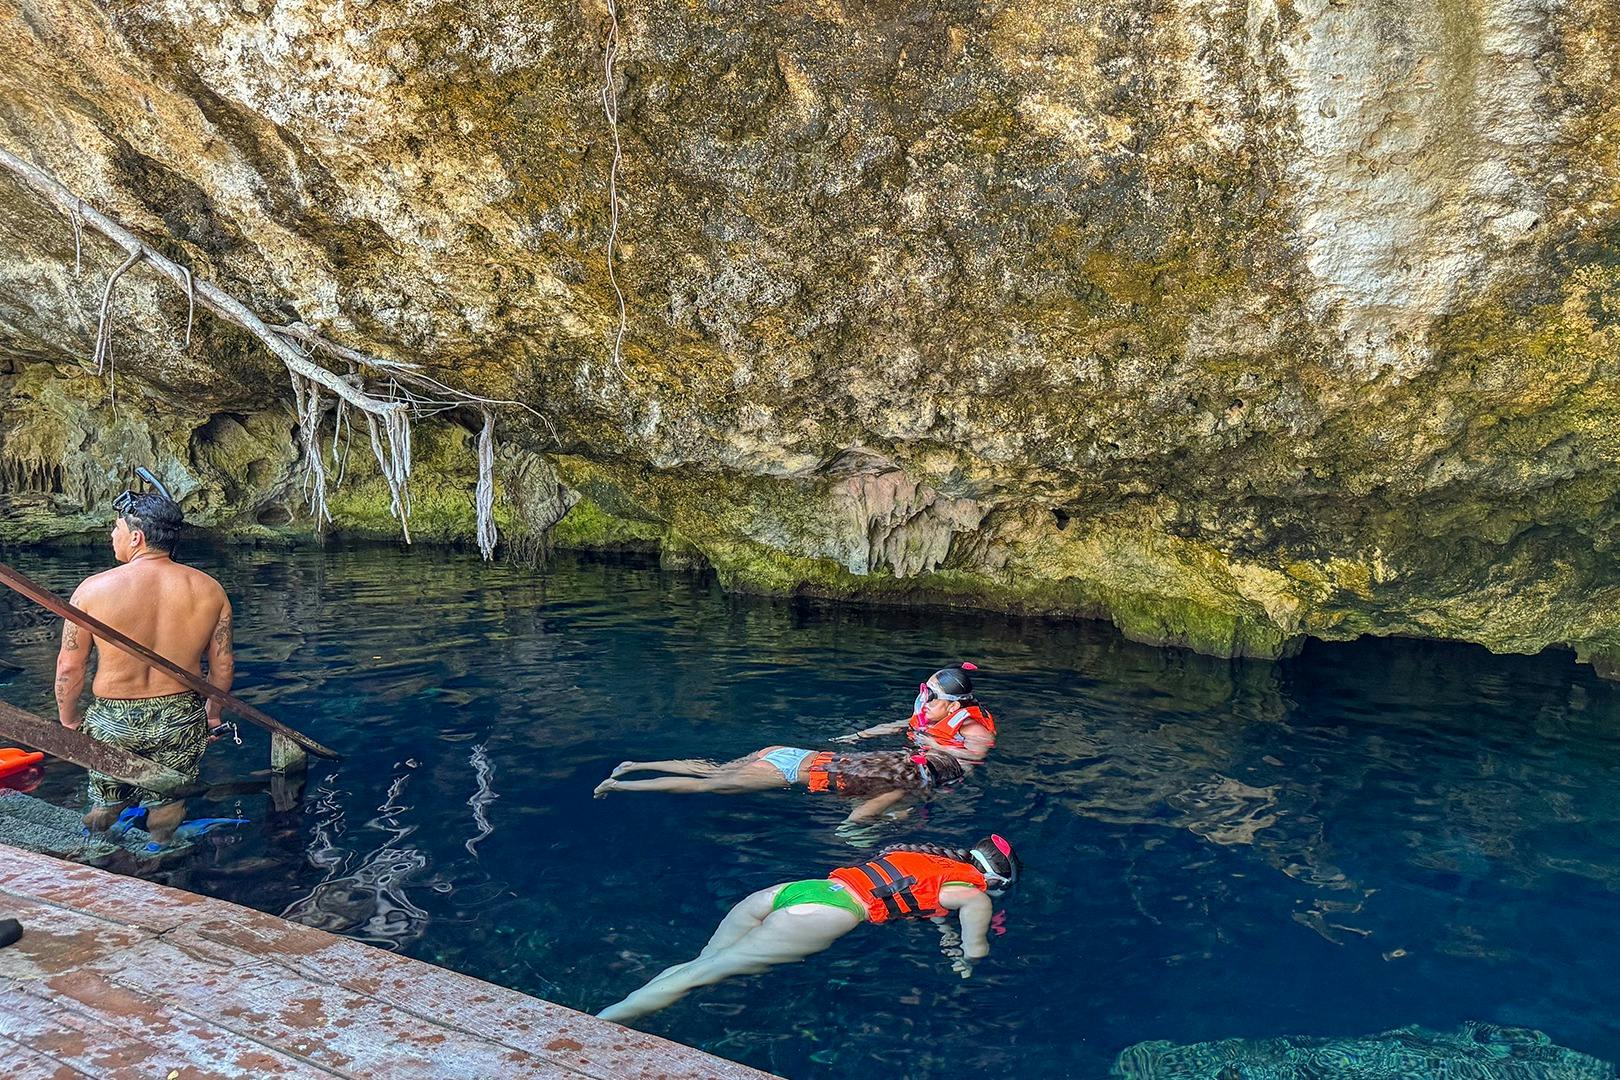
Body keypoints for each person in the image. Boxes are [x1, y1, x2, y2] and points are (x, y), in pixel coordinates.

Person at [597, 834, 1022, 1024]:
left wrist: (945, 940)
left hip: (801, 889)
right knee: (704, 975)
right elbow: (977, 947)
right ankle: (605, 1022)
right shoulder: (976, 895)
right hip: (826, 914)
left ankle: (620, 1009)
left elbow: (929, 908)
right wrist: (970, 962)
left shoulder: (931, 860)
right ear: (996, 881)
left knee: (699, 965)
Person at [54, 469, 234, 844]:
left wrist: (68, 722)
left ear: (136, 537)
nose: (112, 535)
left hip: (113, 718)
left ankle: (96, 853)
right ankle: (160, 855)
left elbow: (70, 666)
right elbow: (223, 666)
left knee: (105, 800)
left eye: (116, 528)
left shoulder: (93, 590)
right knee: (167, 802)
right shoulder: (210, 590)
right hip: (180, 715)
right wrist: (212, 715)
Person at [594, 747, 965, 823]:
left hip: (784, 752)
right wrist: (890, 819)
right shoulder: (898, 790)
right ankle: (622, 786)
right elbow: (854, 823)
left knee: (713, 768)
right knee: (704, 787)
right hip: (780, 775)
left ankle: (636, 764)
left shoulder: (893, 759)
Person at [832, 664, 997, 763]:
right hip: (921, 754)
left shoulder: (973, 729)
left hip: (951, 767)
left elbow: (975, 757)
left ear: (953, 707)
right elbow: (895, 726)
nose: (925, 702)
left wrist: (935, 745)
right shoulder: (930, 716)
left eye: (932, 697)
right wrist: (858, 736)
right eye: (925, 693)